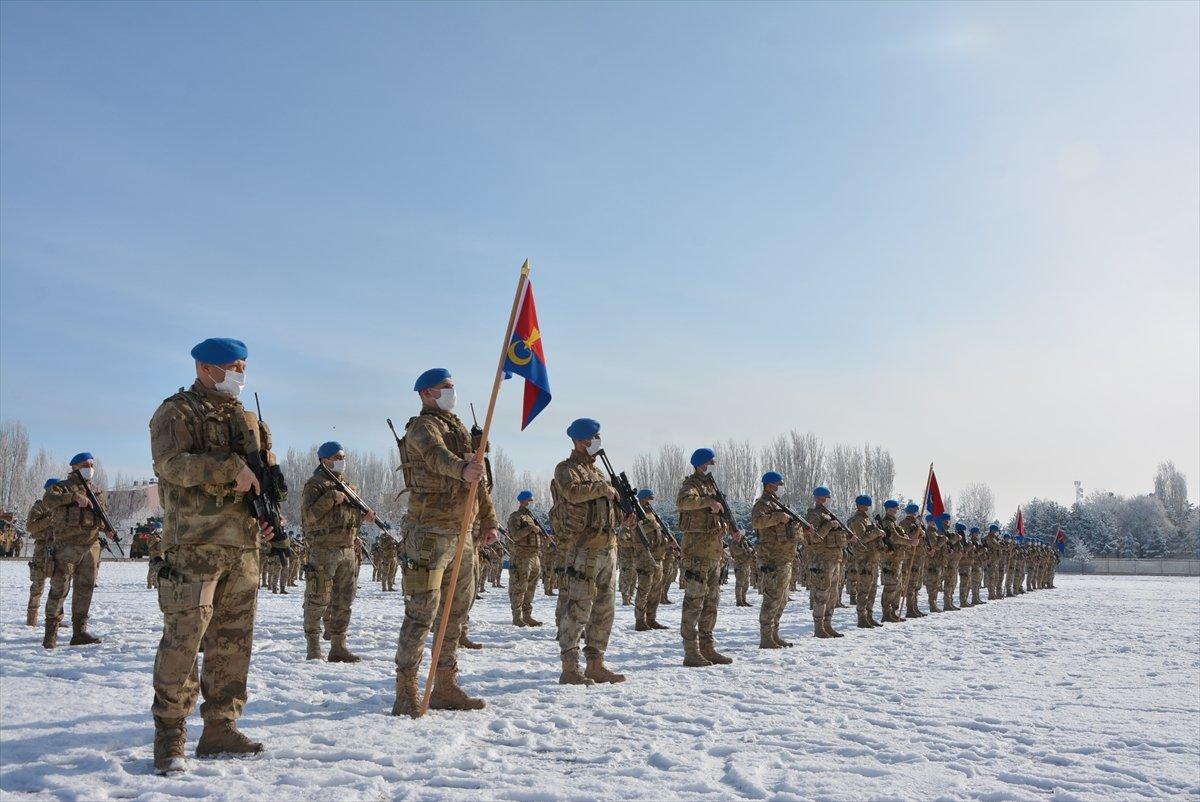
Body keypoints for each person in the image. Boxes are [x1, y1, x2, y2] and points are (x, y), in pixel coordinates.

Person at [147, 337, 277, 773]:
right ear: (205, 368)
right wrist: (227, 468)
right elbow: (171, 465)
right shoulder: (177, 412)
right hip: (194, 547)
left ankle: (220, 726)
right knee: (184, 641)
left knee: (232, 642)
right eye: (234, 367)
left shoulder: (249, 419)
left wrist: (266, 514)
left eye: (243, 366)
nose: (241, 374)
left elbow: (261, 474)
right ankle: (170, 735)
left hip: (242, 547)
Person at [391, 368, 499, 717]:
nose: (452, 392)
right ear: (427, 393)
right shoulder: (422, 427)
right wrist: (463, 467)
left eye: (453, 386)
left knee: (456, 611)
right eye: (445, 387)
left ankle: (445, 685)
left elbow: (478, 482)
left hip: (462, 533)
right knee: (422, 612)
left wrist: (488, 520)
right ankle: (406, 689)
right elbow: (437, 457)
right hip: (429, 534)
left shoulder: (460, 430)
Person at [550, 418, 635, 685]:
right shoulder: (566, 469)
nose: (598, 441)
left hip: (607, 548)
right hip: (583, 550)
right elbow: (572, 493)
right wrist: (603, 489)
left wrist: (624, 517)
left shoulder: (598, 472)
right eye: (593, 437)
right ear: (580, 441)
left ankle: (596, 664)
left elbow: (603, 508)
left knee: (604, 610)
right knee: (578, 607)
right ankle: (570, 667)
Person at [301, 441, 373, 662]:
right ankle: (313, 646)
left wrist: (364, 517)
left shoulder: (348, 487)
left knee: (344, 600)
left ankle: (338, 647)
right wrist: (331, 497)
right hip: (323, 551)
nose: (342, 461)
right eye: (337, 458)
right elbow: (309, 518)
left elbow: (347, 518)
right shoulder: (315, 485)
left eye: (343, 457)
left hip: (347, 550)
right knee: (318, 598)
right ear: (324, 460)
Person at [676, 448, 741, 666]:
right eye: (710, 462)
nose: (713, 466)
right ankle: (691, 651)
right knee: (694, 603)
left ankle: (707, 647)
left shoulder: (711, 487)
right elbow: (683, 501)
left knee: (711, 604)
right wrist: (707, 502)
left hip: (713, 555)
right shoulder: (691, 486)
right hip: (696, 555)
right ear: (701, 464)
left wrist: (732, 529)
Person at [40, 452, 112, 649]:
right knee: (59, 589)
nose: (90, 468)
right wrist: (73, 497)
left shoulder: (96, 490)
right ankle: (50, 635)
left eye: (92, 465)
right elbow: (48, 500)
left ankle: (79, 632)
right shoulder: (62, 487)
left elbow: (100, 516)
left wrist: (107, 530)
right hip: (66, 546)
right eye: (86, 465)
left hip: (91, 547)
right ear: (75, 467)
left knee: (85, 589)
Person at [750, 472, 800, 648]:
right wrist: (779, 517)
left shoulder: (779, 504)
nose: (781, 487)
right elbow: (757, 522)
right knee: (771, 598)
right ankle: (766, 637)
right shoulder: (762, 504)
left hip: (784, 557)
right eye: (779, 484)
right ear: (769, 485)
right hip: (771, 558)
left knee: (782, 598)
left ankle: (774, 634)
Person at [805, 487, 852, 638]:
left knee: (832, 595)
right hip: (822, 561)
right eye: (827, 496)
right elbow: (814, 538)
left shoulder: (829, 515)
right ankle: (819, 627)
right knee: (821, 595)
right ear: (819, 498)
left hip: (834, 560)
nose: (829, 499)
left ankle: (827, 624)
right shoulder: (813, 515)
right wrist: (829, 525)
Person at [846, 495, 885, 628]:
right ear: (861, 506)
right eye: (868, 506)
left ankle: (869, 616)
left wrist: (879, 535)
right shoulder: (856, 521)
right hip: (864, 560)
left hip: (872, 558)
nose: (869, 508)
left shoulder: (867, 519)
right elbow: (861, 539)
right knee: (864, 590)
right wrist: (876, 533)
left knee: (872, 589)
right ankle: (862, 618)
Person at [24, 478, 58, 627]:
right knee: (37, 585)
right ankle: (31, 620)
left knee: (59, 587)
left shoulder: (63, 507)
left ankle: (55, 620)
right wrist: (49, 520)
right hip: (41, 551)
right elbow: (31, 527)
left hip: (58, 550)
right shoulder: (40, 506)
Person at [633, 488, 669, 631]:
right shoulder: (637, 515)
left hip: (658, 557)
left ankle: (651, 619)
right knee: (643, 591)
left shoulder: (652, 514)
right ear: (642, 499)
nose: (651, 502)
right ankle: (640, 621)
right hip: (645, 558)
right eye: (649, 499)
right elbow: (639, 532)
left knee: (656, 592)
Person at [506, 490, 543, 627]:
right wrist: (530, 529)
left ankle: (527, 616)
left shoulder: (532, 517)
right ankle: (517, 617)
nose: (531, 503)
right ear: (522, 501)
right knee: (519, 587)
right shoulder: (515, 517)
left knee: (531, 588)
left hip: (534, 556)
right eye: (529, 500)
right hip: (521, 557)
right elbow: (515, 536)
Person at [877, 500, 908, 623]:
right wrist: (910, 541)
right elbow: (894, 538)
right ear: (887, 510)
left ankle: (893, 612)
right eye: (892, 509)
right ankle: (886, 613)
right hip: (890, 560)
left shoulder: (894, 523)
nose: (894, 511)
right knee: (890, 587)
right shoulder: (887, 522)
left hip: (896, 559)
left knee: (897, 586)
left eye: (895, 509)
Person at [899, 503, 926, 619]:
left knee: (916, 584)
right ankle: (910, 609)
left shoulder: (917, 523)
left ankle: (914, 607)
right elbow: (906, 538)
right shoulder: (904, 523)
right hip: (911, 555)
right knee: (911, 583)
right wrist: (918, 532)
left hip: (919, 555)